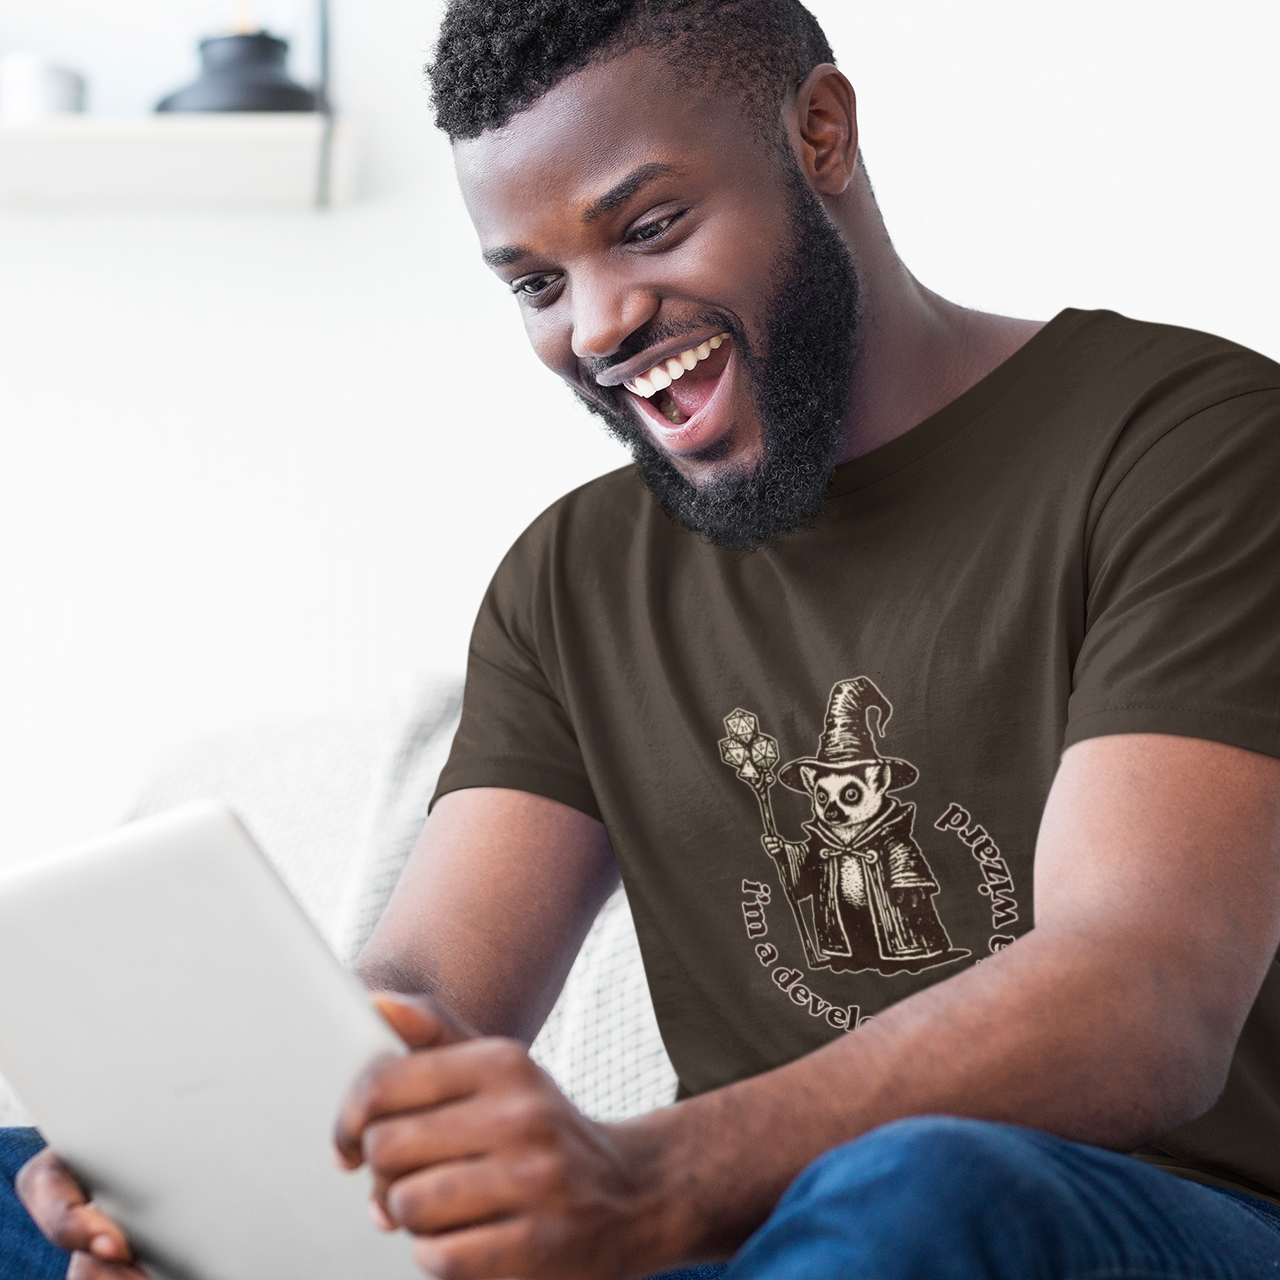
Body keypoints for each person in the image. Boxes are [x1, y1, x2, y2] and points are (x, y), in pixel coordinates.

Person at [10, 1, 1280, 1276]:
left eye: (648, 227)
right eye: (536, 283)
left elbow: (1144, 986)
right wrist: (219, 1161)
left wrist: (645, 1171)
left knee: (918, 1180)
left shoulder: (1188, 447)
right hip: (720, 1244)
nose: (599, 323)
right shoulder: (572, 576)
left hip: (1120, 1216)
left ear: (820, 135)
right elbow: (431, 1000)